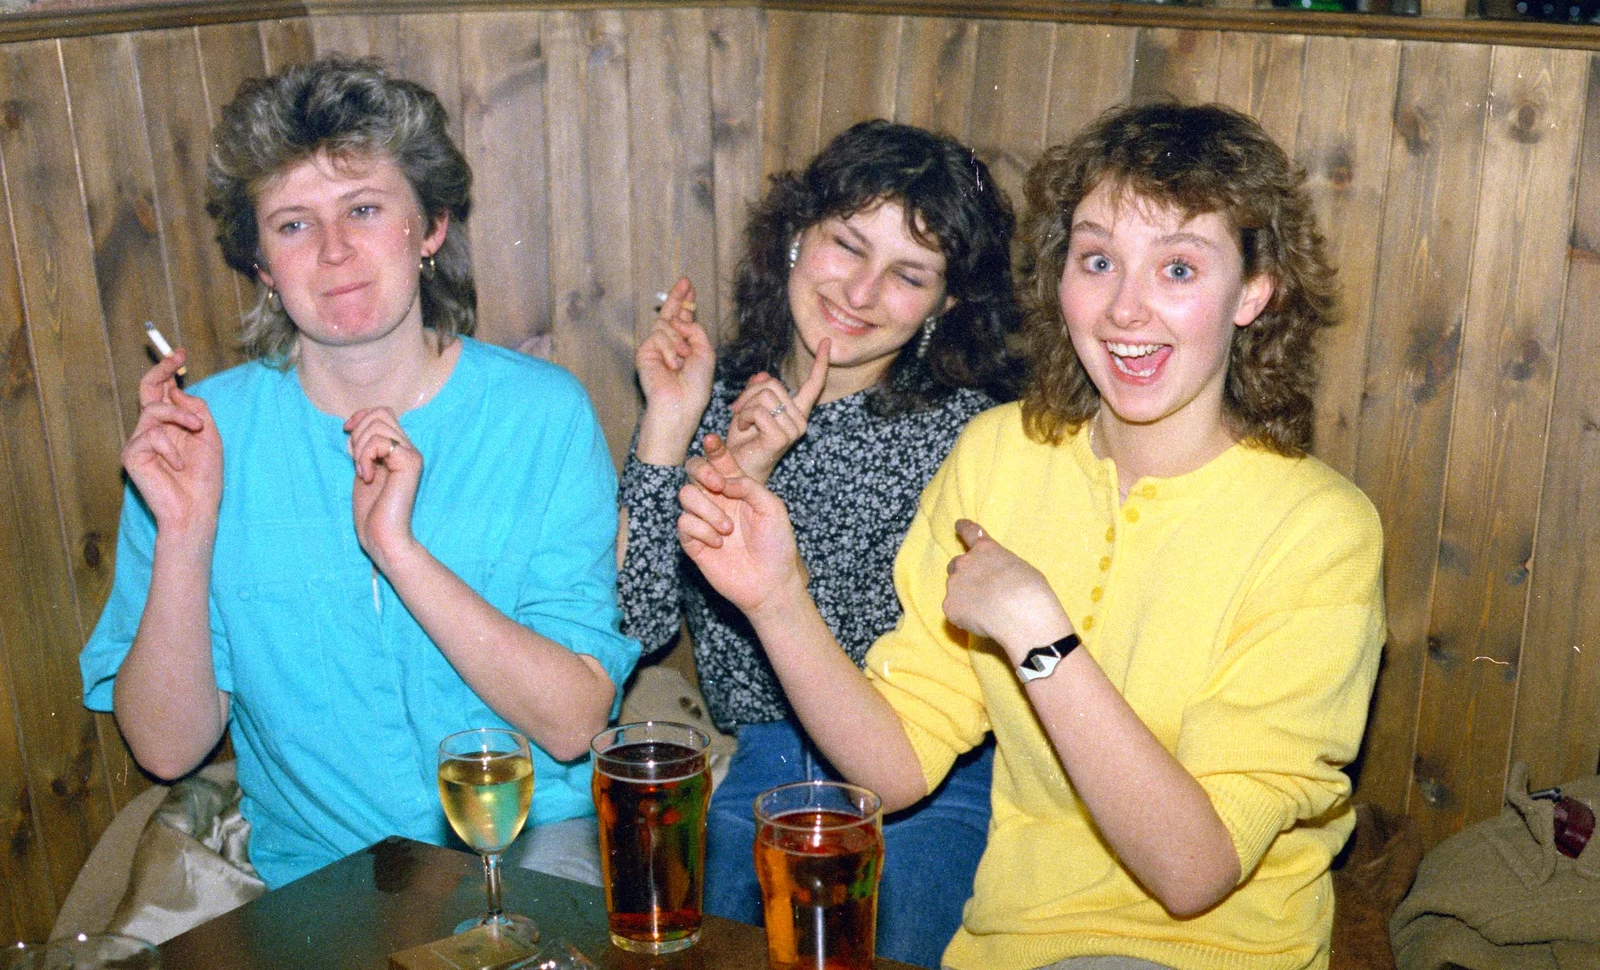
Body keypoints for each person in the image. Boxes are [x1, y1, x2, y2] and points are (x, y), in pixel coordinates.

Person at [675, 102, 1386, 970]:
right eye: (1097, 261)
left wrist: (1040, 636)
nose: (1126, 310)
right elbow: (894, 767)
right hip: (1004, 947)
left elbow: (1193, 870)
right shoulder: (1000, 454)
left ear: (1254, 290)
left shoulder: (1321, 530)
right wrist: (777, 599)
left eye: (1177, 268)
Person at [80, 56, 640, 891]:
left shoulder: (541, 414)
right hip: (320, 876)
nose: (335, 252)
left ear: (431, 227)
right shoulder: (205, 436)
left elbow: (572, 723)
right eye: (294, 225)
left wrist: (399, 550)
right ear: (263, 266)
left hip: (527, 849)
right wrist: (186, 530)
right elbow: (166, 746)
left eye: (365, 209)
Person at [619, 119, 1022, 967]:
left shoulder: (966, 433)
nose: (862, 291)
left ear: (945, 305)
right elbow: (637, 620)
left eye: (908, 274)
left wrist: (754, 490)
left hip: (921, 783)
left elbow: (873, 662)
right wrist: (668, 425)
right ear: (799, 234)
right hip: (761, 759)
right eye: (847, 244)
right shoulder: (717, 388)